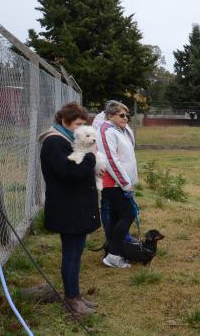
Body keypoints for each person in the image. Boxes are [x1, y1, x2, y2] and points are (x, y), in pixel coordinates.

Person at [38, 102, 100, 315]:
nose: (82, 129)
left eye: (84, 124)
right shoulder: (55, 142)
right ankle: (72, 299)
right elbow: (70, 173)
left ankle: (76, 295)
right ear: (64, 121)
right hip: (68, 209)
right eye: (78, 124)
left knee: (76, 252)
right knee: (71, 254)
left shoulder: (68, 140)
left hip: (76, 207)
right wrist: (91, 155)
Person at [96, 101, 138, 268]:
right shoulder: (106, 131)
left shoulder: (120, 130)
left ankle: (113, 252)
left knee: (115, 218)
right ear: (110, 115)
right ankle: (113, 255)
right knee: (128, 214)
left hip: (120, 183)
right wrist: (126, 184)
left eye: (127, 115)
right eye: (121, 115)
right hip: (113, 184)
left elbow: (127, 157)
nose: (125, 118)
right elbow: (111, 160)